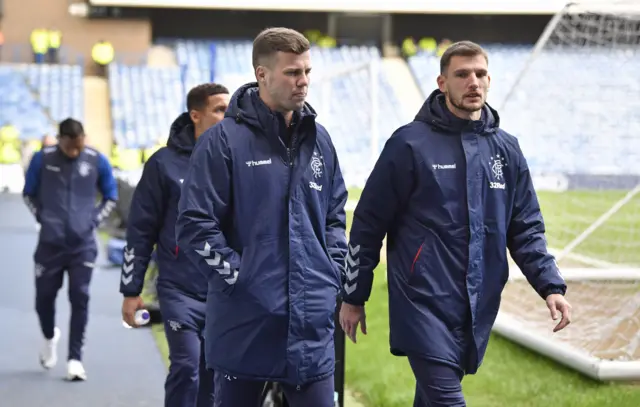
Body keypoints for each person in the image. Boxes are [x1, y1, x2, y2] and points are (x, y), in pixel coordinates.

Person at [338, 41, 572, 406]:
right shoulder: (408, 144)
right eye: (462, 74)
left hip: (477, 300)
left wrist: (550, 286)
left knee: (431, 398)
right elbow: (368, 223)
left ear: (490, 79)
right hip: (421, 299)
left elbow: (525, 227)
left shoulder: (506, 150)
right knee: (447, 398)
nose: (473, 82)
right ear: (442, 82)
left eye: (480, 74)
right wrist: (354, 295)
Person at [176, 27, 348, 407]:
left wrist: (331, 272)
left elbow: (335, 217)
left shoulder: (321, 140)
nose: (302, 82)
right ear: (262, 74)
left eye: (306, 72)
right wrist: (241, 278)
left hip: (311, 328)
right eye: (291, 73)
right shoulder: (222, 143)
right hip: (245, 327)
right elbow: (194, 227)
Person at [120, 83, 230, 407]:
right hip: (178, 288)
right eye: (220, 110)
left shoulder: (237, 161)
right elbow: (140, 230)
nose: (228, 116)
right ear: (196, 115)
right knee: (187, 366)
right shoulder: (162, 164)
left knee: (214, 374)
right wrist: (131, 290)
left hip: (224, 290)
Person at [23, 118, 118, 381]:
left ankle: (75, 359)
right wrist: (43, 218)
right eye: (70, 146)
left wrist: (94, 220)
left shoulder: (96, 159)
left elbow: (111, 195)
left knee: (80, 296)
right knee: (44, 299)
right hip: (50, 244)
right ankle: (49, 336)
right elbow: (28, 193)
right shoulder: (42, 159)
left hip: (82, 245)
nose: (75, 151)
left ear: (83, 138)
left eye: (79, 145)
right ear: (60, 139)